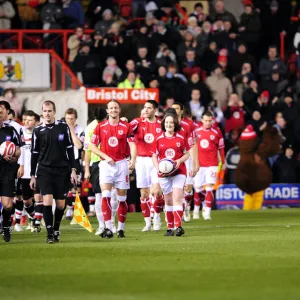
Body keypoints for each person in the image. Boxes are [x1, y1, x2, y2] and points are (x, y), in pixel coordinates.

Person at [30, 101, 78, 244]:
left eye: (49, 111)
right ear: (42, 112)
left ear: (54, 112)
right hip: (44, 170)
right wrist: (33, 175)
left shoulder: (63, 128)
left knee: (61, 205)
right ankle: (50, 233)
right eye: (44, 111)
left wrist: (73, 169)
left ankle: (56, 228)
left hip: (62, 171)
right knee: (47, 200)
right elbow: (34, 154)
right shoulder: (38, 131)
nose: (47, 113)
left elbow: (70, 149)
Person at [90, 100, 137, 238]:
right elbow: (92, 146)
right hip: (105, 164)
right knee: (106, 195)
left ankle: (121, 229)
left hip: (122, 164)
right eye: (111, 108)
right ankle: (109, 227)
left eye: (116, 108)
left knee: (122, 198)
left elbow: (133, 145)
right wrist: (105, 156)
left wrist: (133, 160)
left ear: (119, 110)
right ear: (107, 111)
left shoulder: (127, 126)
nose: (114, 110)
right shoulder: (100, 126)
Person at [152, 113, 192, 237]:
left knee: (177, 197)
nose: (169, 124)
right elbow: (154, 155)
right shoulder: (158, 139)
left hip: (179, 172)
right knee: (168, 200)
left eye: (171, 122)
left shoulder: (181, 137)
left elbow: (187, 154)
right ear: (164, 124)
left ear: (175, 124)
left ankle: (178, 226)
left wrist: (179, 161)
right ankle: (170, 228)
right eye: (167, 122)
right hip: (164, 174)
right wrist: (158, 167)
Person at [130, 100, 164, 231]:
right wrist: (123, 120)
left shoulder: (161, 123)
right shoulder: (137, 122)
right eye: (144, 108)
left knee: (156, 191)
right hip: (141, 160)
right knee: (144, 193)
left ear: (155, 110)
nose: (146, 110)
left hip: (156, 160)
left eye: (149, 108)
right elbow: (126, 128)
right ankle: (147, 222)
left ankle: (156, 217)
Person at [193, 111, 225, 220]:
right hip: (199, 164)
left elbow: (221, 148)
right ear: (201, 120)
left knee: (210, 187)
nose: (207, 122)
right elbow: (192, 148)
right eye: (205, 120)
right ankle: (197, 210)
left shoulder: (217, 132)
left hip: (212, 164)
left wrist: (224, 162)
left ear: (212, 120)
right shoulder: (196, 132)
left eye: (209, 120)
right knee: (198, 188)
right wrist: (193, 162)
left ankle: (207, 212)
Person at [84, 107, 110, 235]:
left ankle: (109, 224)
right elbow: (87, 151)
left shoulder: (111, 124)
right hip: (98, 163)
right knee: (101, 194)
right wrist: (87, 169)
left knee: (111, 195)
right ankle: (102, 225)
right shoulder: (91, 128)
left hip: (111, 162)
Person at [171, 103, 198, 222]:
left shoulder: (189, 125)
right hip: (172, 158)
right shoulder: (167, 123)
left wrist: (195, 162)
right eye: (173, 108)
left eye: (177, 108)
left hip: (187, 157)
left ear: (181, 111)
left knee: (188, 187)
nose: (175, 110)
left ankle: (186, 209)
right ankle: (177, 210)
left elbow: (194, 144)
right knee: (175, 188)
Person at [17, 110, 43, 232]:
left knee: (38, 197)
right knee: (26, 201)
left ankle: (37, 223)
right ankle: (34, 217)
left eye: (30, 120)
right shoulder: (20, 132)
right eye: (25, 120)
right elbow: (19, 150)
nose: (27, 122)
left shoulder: (41, 134)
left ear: (36, 122)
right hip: (25, 171)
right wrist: (20, 166)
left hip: (38, 171)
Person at [0, 105, 21, 242]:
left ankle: (6, 225)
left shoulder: (10, 130)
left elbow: (19, 149)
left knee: (8, 205)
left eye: (1, 112)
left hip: (7, 170)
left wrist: (14, 156)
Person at [63, 108, 85, 220]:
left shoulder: (80, 130)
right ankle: (68, 207)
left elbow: (79, 146)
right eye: (67, 119)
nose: (69, 121)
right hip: (63, 160)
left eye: (71, 119)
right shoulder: (61, 128)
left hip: (75, 161)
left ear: (75, 119)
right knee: (65, 187)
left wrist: (71, 130)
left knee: (75, 187)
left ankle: (75, 209)